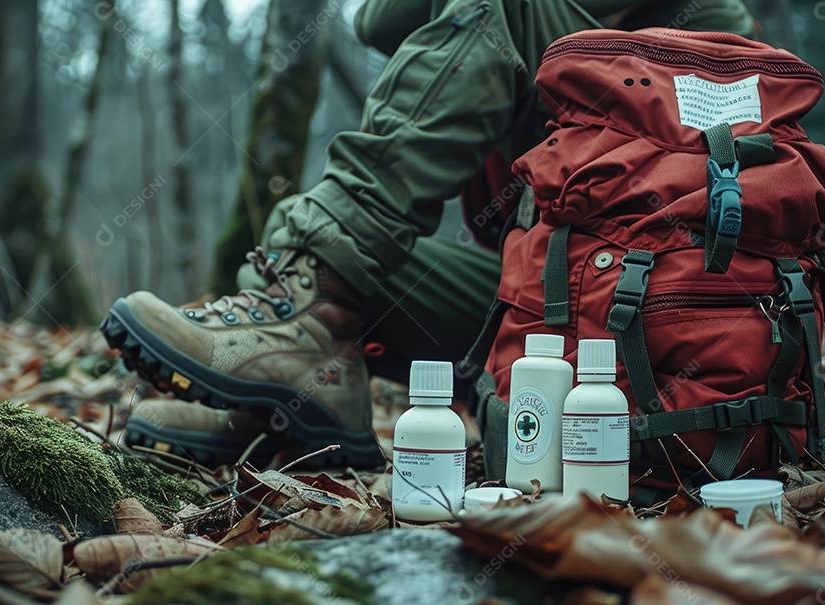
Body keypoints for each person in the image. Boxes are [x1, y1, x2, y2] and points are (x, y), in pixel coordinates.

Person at [100, 0, 759, 469]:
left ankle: (303, 326)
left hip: (661, 330)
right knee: (357, 256)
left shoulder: (711, 21)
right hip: (540, 317)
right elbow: (376, 20)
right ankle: (305, 373)